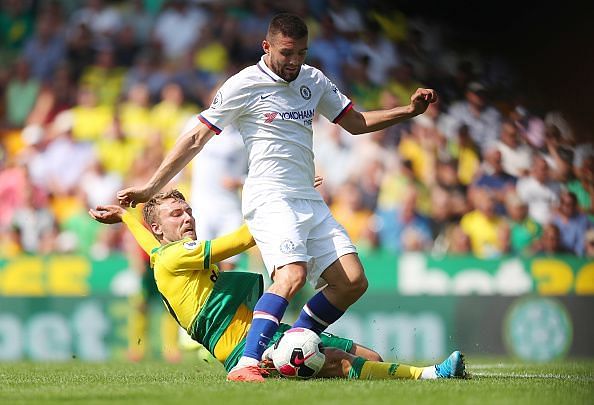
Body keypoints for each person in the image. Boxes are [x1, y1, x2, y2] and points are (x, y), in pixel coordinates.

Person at [116, 13, 438, 382]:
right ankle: (246, 363)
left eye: (302, 52)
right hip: (268, 196)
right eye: (287, 52)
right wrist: (150, 190)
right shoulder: (243, 85)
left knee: (352, 281)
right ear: (267, 46)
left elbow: (356, 122)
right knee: (292, 274)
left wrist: (409, 111)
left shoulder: (314, 80)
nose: (294, 61)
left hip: (306, 196)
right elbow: (195, 138)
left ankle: (294, 343)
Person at [89, 189, 466, 381]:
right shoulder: (176, 256)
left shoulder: (162, 254)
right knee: (340, 362)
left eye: (188, 210)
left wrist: (125, 215)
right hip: (243, 349)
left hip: (268, 330)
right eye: (177, 214)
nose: (187, 217)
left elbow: (150, 243)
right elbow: (238, 242)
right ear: (160, 227)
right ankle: (432, 374)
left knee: (370, 358)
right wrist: (287, 200)